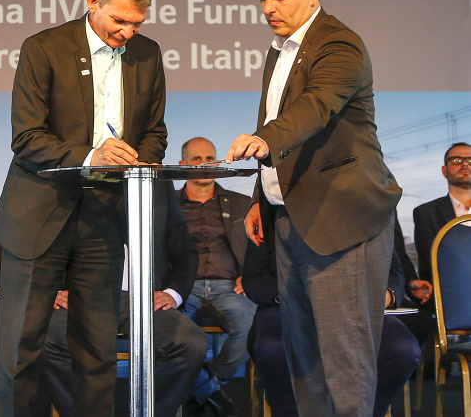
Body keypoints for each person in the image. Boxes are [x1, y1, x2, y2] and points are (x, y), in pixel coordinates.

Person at [225, 0, 402, 415]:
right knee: (304, 364)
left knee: (345, 365)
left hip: (343, 220)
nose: (267, 9)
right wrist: (260, 201)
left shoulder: (339, 44)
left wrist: (264, 138)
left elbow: (313, 109)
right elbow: (278, 132)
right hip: (291, 221)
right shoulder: (279, 50)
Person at [0, 0, 168, 416]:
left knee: (98, 354)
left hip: (104, 218)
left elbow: (155, 133)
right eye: (119, 20)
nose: (128, 33)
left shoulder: (148, 55)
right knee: (20, 351)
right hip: (38, 215)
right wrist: (93, 155)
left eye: (137, 22)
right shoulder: (43, 48)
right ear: (93, 2)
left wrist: (138, 158)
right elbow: (27, 137)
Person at [36, 183, 206, 417]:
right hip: (79, 296)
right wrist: (53, 290)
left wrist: (173, 294)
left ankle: (150, 413)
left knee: (190, 342)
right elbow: (41, 242)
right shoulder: (71, 178)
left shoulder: (158, 185)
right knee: (45, 339)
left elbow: (185, 252)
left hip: (145, 299)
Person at [243, 239, 420, 417]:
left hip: (357, 303)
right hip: (288, 303)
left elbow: (393, 270)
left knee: (402, 349)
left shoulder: (369, 211)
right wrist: (292, 296)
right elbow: (254, 276)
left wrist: (387, 295)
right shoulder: (269, 212)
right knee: (273, 347)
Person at [178, 137, 255, 417]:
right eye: (197, 159)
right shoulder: (167, 205)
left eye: (209, 158)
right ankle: (210, 393)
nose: (204, 164)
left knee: (252, 326)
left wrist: (250, 277)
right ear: (184, 164)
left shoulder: (241, 203)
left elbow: (262, 246)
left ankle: (206, 387)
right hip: (183, 288)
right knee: (167, 333)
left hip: (229, 288)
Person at [413, 142, 471, 285]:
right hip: (451, 297)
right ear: (444, 171)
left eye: (470, 160)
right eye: (457, 160)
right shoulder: (425, 213)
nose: (465, 164)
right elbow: (434, 262)